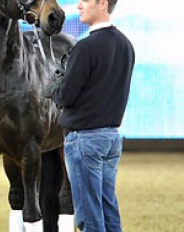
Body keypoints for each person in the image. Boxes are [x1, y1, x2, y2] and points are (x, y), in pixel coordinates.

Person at [44, 0, 135, 231]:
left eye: (85, 0)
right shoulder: (126, 44)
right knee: (107, 210)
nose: (79, 6)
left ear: (102, 3)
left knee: (88, 216)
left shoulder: (85, 48)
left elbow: (66, 97)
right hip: (111, 139)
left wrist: (53, 87)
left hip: (84, 140)